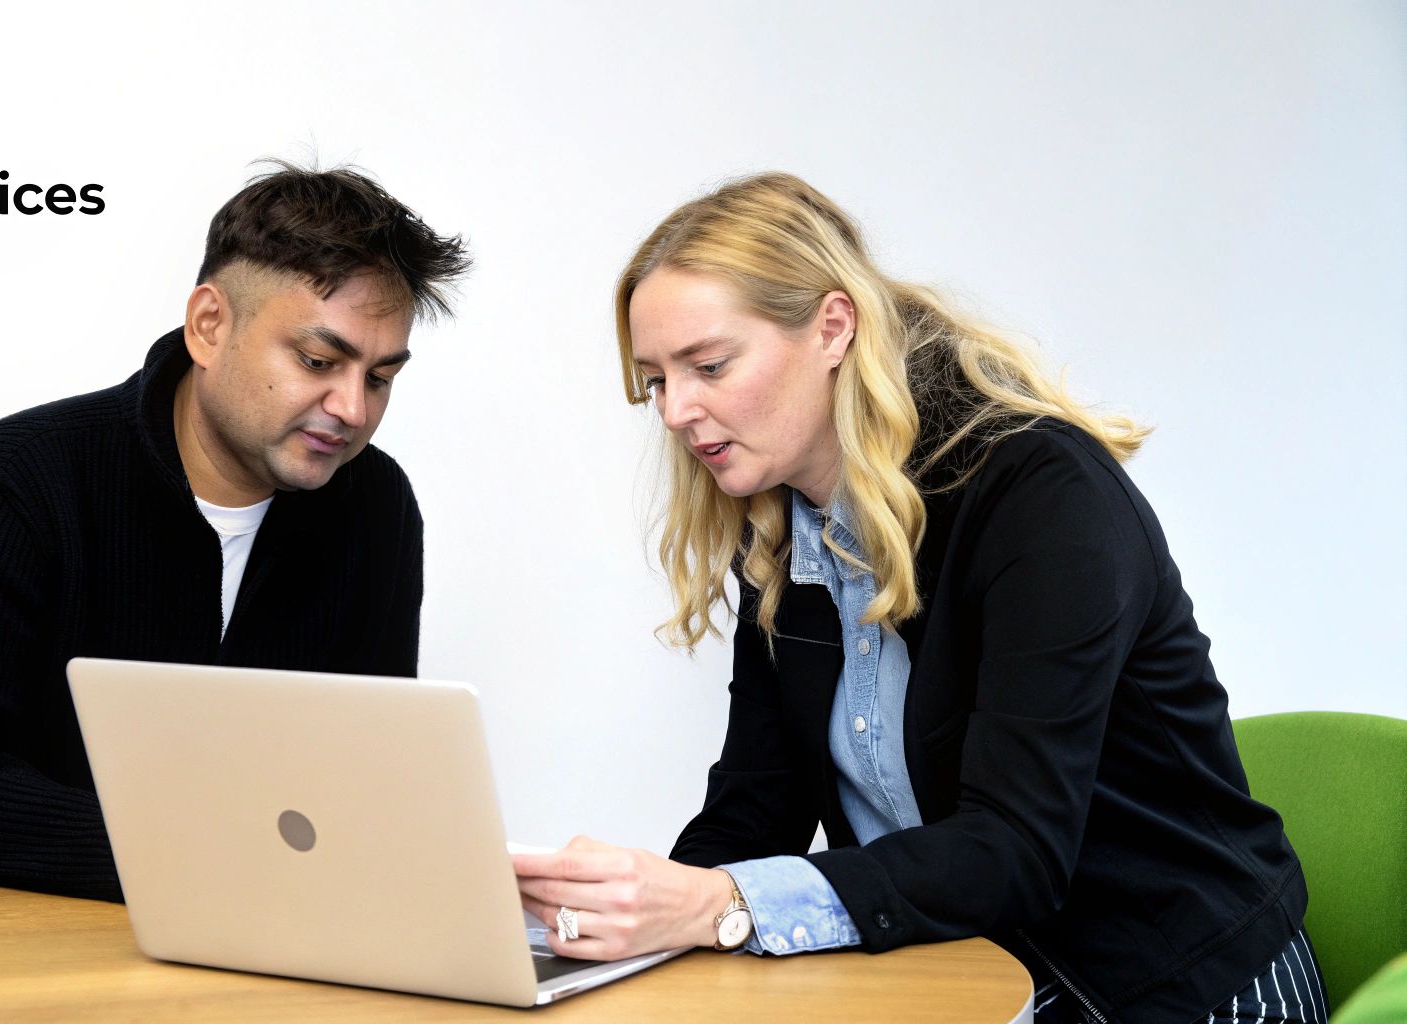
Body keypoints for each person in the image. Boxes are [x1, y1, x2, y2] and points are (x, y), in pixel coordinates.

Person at [511, 173, 1327, 1023]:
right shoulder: (782, 531)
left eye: (709, 365)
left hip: (1174, 983)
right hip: (971, 981)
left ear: (833, 327)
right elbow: (755, 811)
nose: (677, 410)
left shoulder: (1042, 495)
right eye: (655, 382)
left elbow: (1015, 852)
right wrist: (626, 924)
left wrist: (719, 905)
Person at [0, 162, 470, 903]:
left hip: (207, 935)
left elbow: (359, 770)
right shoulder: (18, 481)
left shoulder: (373, 506)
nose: (353, 409)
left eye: (380, 378)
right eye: (317, 360)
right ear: (210, 325)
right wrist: (203, 858)